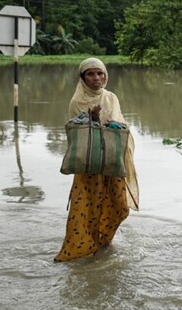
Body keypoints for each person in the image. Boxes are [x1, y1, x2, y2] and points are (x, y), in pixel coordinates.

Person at [54, 57, 140, 262]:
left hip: (111, 163)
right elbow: (77, 133)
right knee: (87, 209)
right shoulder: (77, 101)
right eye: (90, 74)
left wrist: (113, 123)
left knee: (118, 206)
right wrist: (92, 119)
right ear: (83, 78)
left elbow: (120, 123)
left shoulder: (111, 97)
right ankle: (82, 248)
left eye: (100, 73)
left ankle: (103, 242)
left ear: (106, 76)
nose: (96, 78)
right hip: (90, 166)